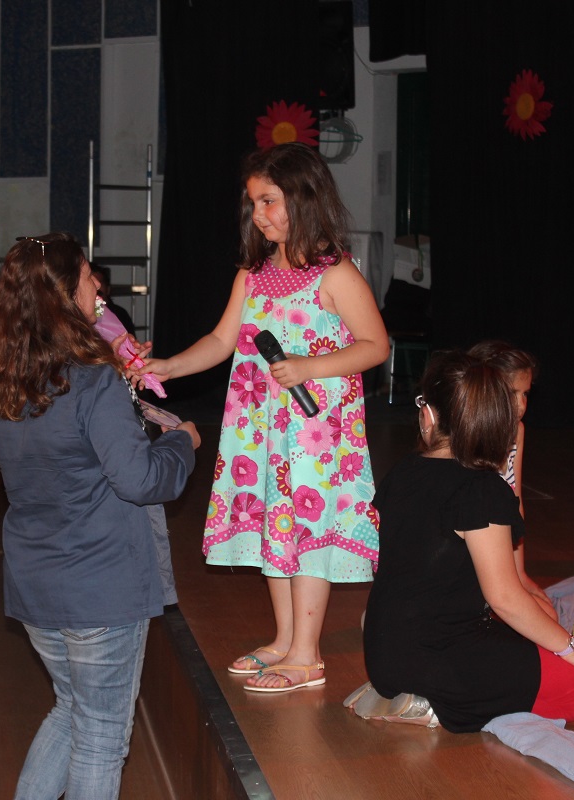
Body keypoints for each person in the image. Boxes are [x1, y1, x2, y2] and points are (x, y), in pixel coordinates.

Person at [137, 143, 389, 692]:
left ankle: (307, 655)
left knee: (308, 529)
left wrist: (309, 366)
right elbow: (221, 340)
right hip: (262, 429)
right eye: (253, 203)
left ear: (304, 197)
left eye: (269, 200)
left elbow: (375, 346)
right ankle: (284, 639)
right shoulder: (252, 276)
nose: (258, 214)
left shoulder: (335, 274)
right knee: (278, 522)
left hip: (316, 434)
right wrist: (169, 365)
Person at [0, 232, 199, 798]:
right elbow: (140, 479)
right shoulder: (92, 380)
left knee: (71, 711)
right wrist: (183, 443)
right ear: (64, 294)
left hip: (37, 582)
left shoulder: (2, 381)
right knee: (100, 737)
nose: (100, 285)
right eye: (89, 275)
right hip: (100, 585)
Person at [360, 350, 574, 732]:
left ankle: (418, 691)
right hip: (430, 657)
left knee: (532, 633)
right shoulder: (480, 490)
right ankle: (432, 701)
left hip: (382, 651)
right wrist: (571, 648)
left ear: (429, 416)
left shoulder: (403, 471)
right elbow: (504, 597)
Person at [467, 341, 557, 620]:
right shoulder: (466, 435)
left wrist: (520, 574)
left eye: (525, 394)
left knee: (547, 614)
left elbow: (514, 503)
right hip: (466, 551)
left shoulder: (516, 431)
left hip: (497, 553)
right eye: (511, 393)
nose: (520, 405)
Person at [90, 263, 136, 336]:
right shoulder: (78, 316)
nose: (96, 287)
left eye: (100, 283)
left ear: (108, 289)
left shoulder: (120, 314)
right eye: (91, 282)